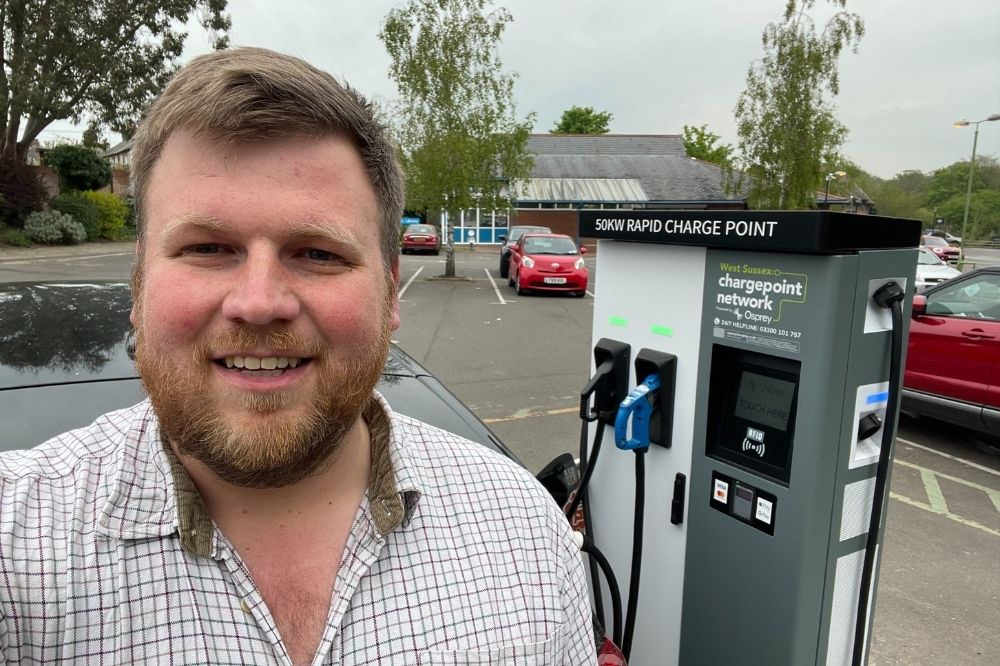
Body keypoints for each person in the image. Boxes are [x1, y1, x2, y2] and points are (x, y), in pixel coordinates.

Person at [0, 47, 595, 665]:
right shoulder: (19, 547)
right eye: (207, 247)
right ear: (139, 286)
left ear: (390, 291)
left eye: (318, 254)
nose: (259, 303)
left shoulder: (523, 530)